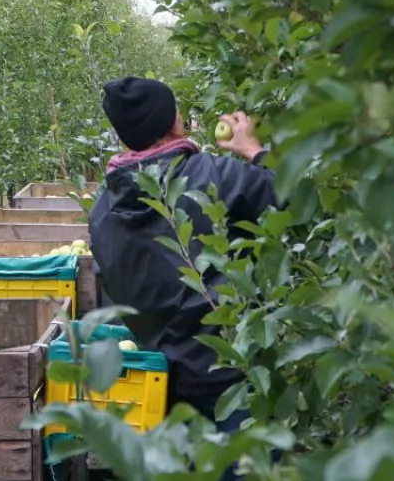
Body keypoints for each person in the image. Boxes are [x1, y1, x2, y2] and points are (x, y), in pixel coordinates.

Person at [88, 77, 281, 468]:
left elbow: (115, 293)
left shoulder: (103, 214)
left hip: (163, 388)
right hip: (234, 376)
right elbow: (292, 198)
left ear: (124, 137)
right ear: (173, 121)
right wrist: (254, 150)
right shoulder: (215, 176)